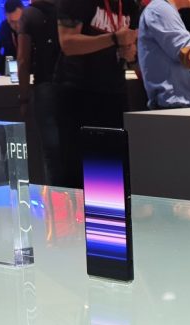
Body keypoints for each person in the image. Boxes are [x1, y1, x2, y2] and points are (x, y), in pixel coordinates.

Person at [54, 0, 140, 188]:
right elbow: (67, 43)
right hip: (78, 94)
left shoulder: (129, 5)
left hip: (114, 93)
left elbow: (131, 44)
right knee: (79, 173)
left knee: (111, 174)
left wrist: (130, 52)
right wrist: (113, 39)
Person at [18, 0, 61, 185]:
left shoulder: (28, 15)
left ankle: (56, 199)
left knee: (51, 155)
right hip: (70, 87)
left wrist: (24, 97)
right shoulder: (65, 10)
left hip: (44, 87)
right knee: (71, 151)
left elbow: (23, 60)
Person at [0, 0, 24, 75]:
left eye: (19, 21)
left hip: (29, 64)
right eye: (12, 22)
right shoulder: (4, 26)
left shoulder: (31, 24)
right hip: (11, 65)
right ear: (6, 16)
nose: (17, 25)